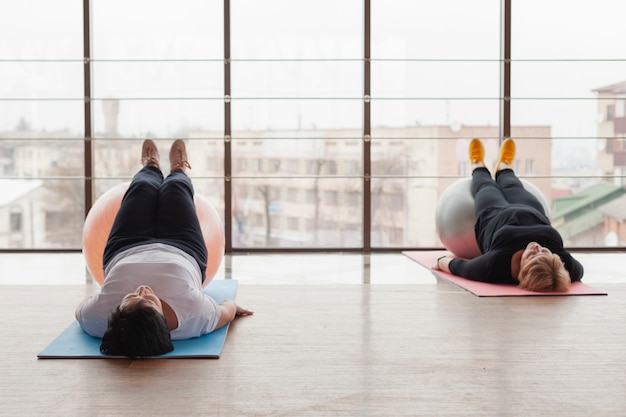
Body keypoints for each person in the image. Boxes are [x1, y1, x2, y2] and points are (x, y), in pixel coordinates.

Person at [76, 139, 252, 357]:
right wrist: (234, 308)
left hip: (125, 246)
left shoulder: (97, 319)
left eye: (130, 299)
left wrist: (100, 298)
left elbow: (80, 311)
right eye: (149, 300)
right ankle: (178, 167)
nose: (141, 289)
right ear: (163, 319)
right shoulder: (196, 317)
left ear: (117, 314)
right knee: (175, 188)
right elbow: (227, 310)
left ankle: (150, 166)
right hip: (184, 247)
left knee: (141, 187)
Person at [434, 138, 584, 292]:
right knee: (511, 184)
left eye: (532, 255)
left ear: (522, 271)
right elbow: (579, 271)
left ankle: (477, 163)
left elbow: (462, 268)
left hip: (493, 214)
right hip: (530, 208)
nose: (537, 247)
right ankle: (504, 166)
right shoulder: (562, 265)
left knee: (485, 186)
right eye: (545, 251)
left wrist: (440, 261)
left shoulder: (494, 266)